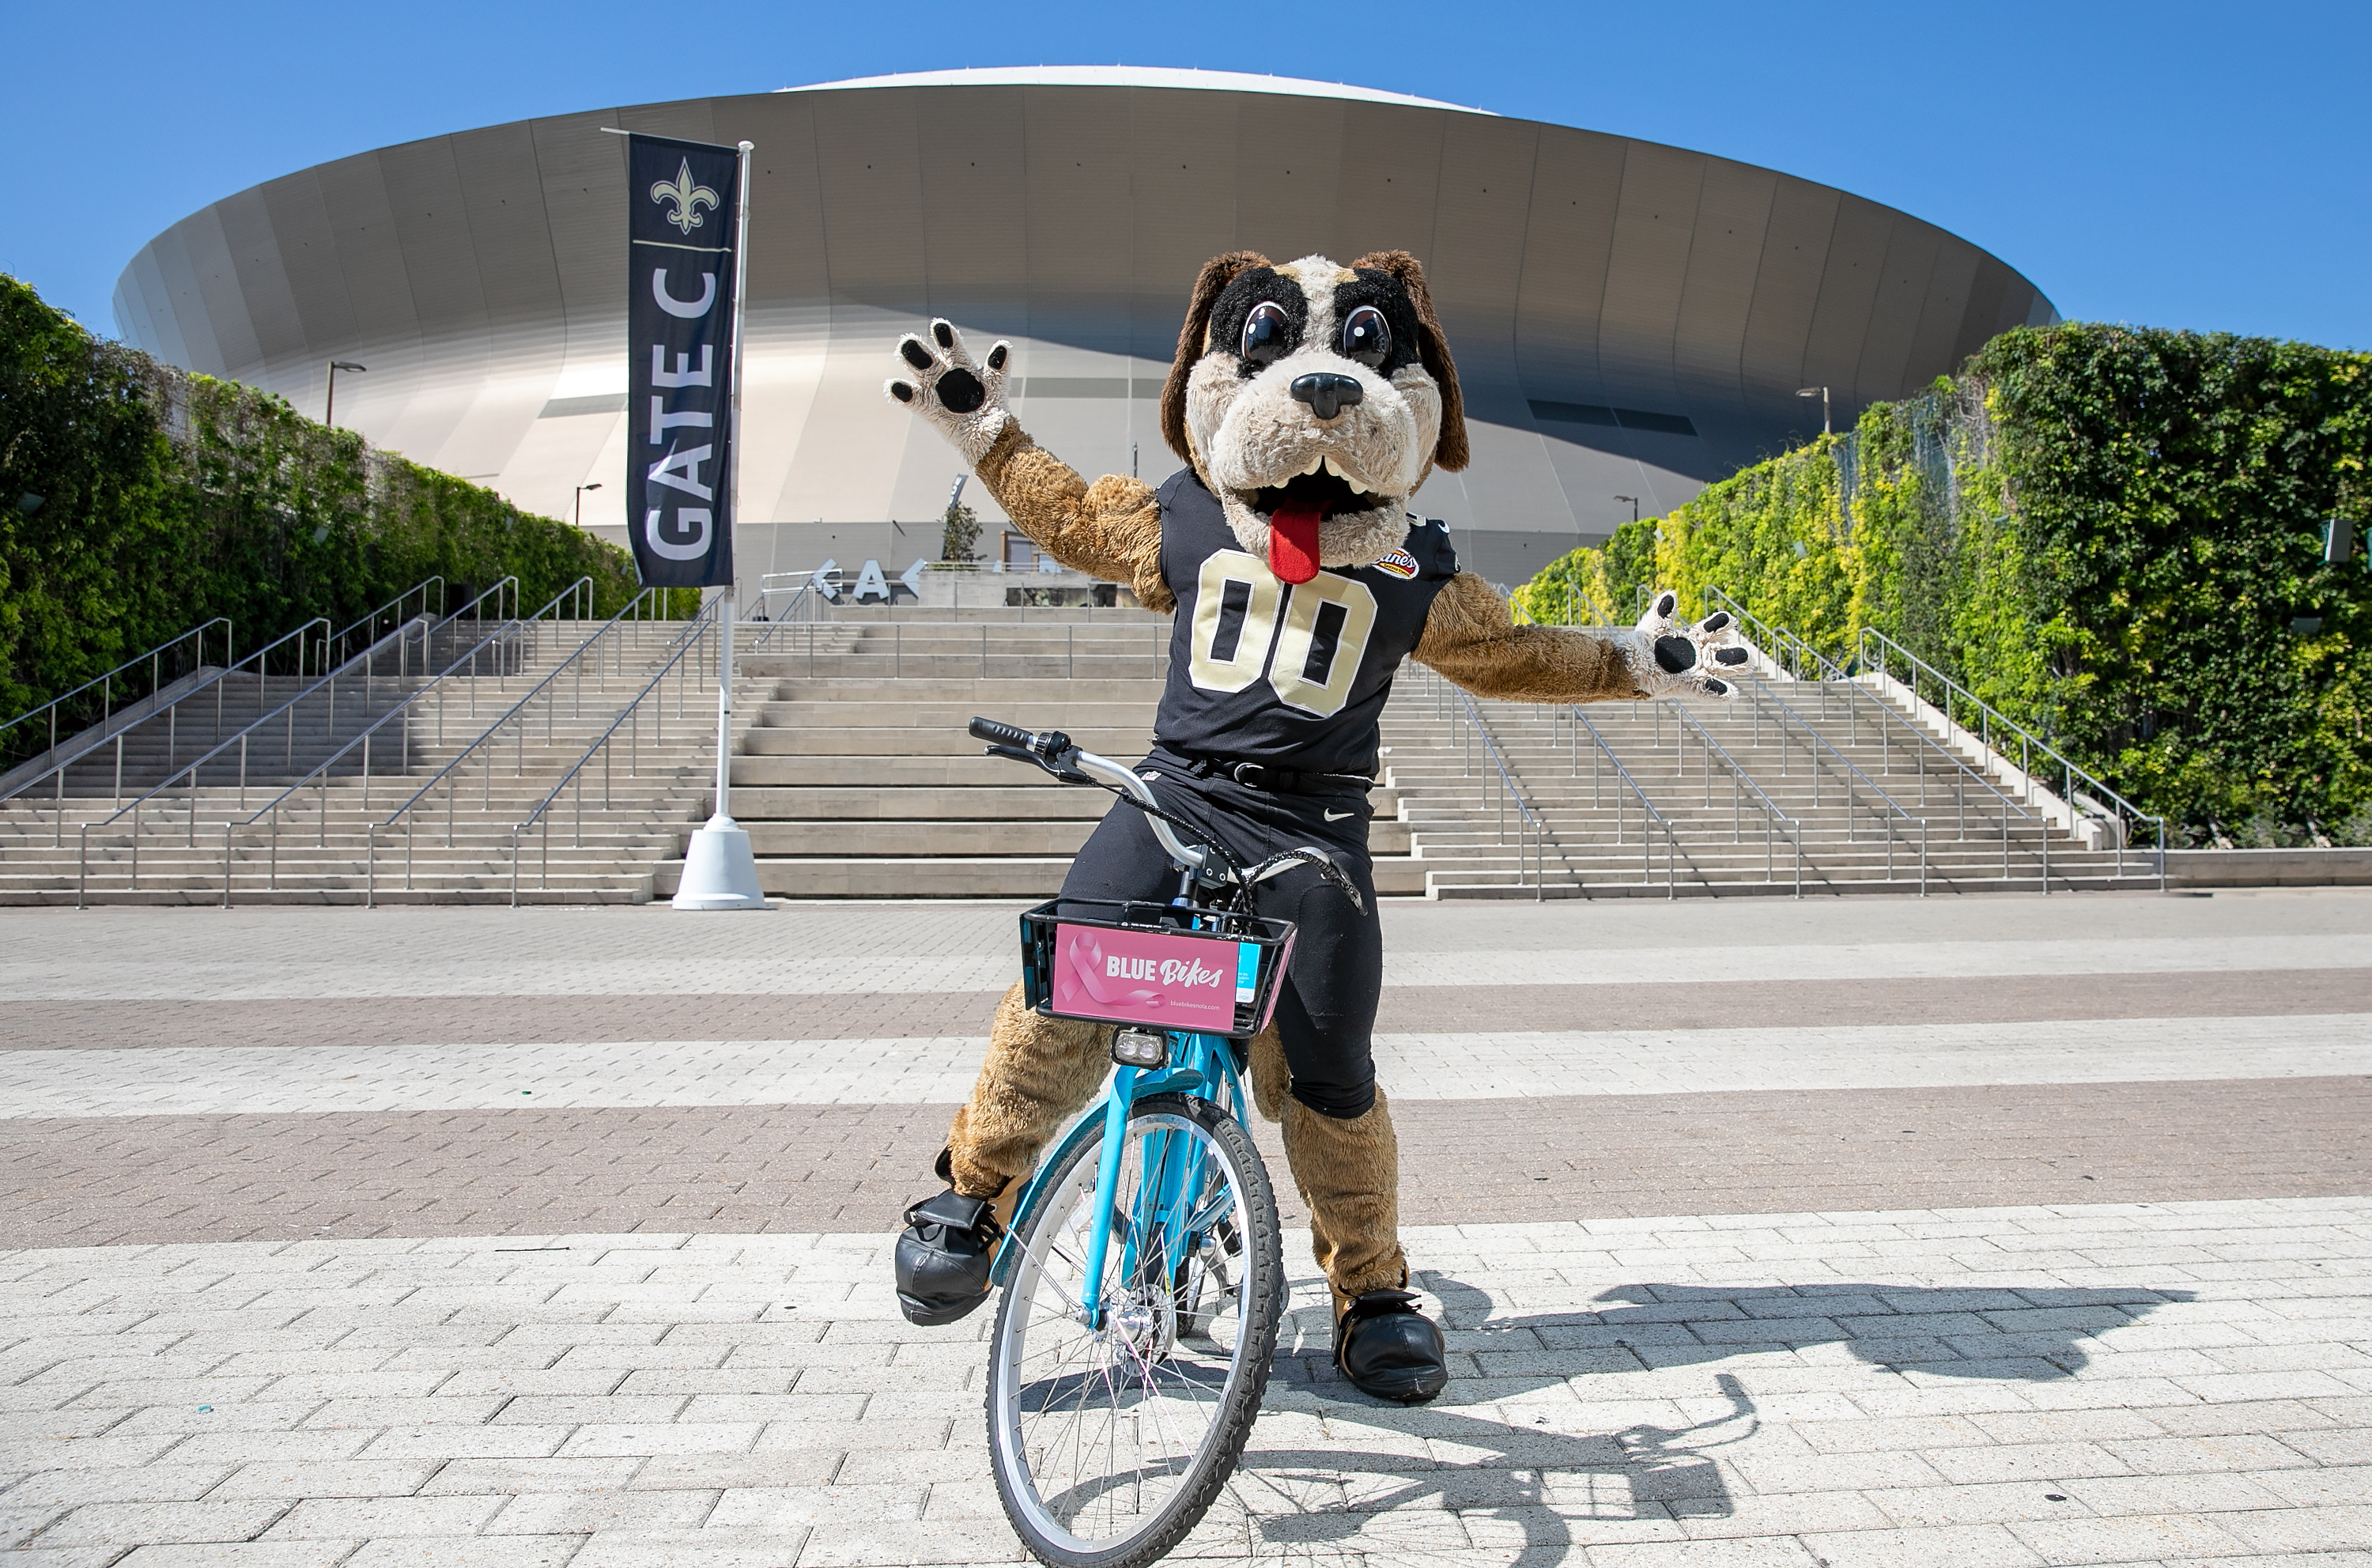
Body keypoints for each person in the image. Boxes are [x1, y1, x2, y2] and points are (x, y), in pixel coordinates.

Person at [886, 250, 1742, 1404]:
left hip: (1314, 835)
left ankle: (1372, 1291)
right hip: (1176, 793)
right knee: (1065, 972)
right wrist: (985, 429)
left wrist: (1633, 665)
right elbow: (1080, 521)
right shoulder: (1186, 511)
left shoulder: (1416, 564)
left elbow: (1506, 653)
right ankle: (975, 1194)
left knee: (1336, 1074)